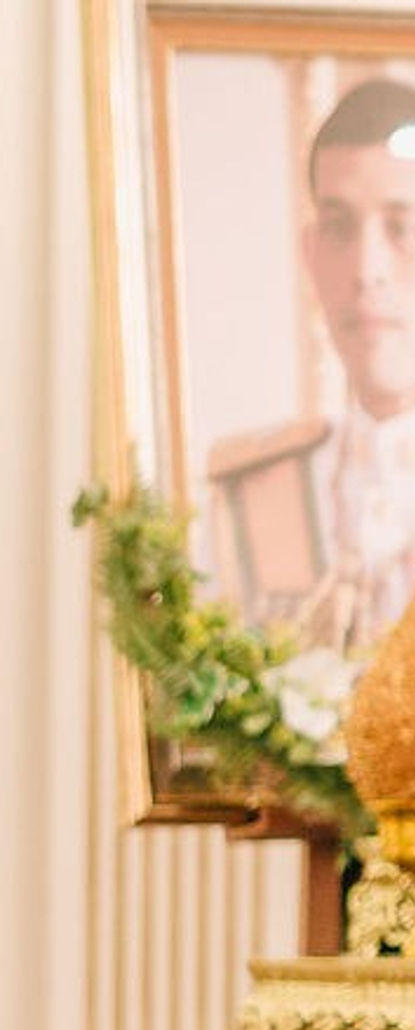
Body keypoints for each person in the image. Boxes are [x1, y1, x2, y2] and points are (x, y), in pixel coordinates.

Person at [209, 75, 415, 647]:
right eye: (339, 228)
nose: (366, 268)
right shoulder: (249, 500)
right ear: (312, 256)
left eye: (402, 228)